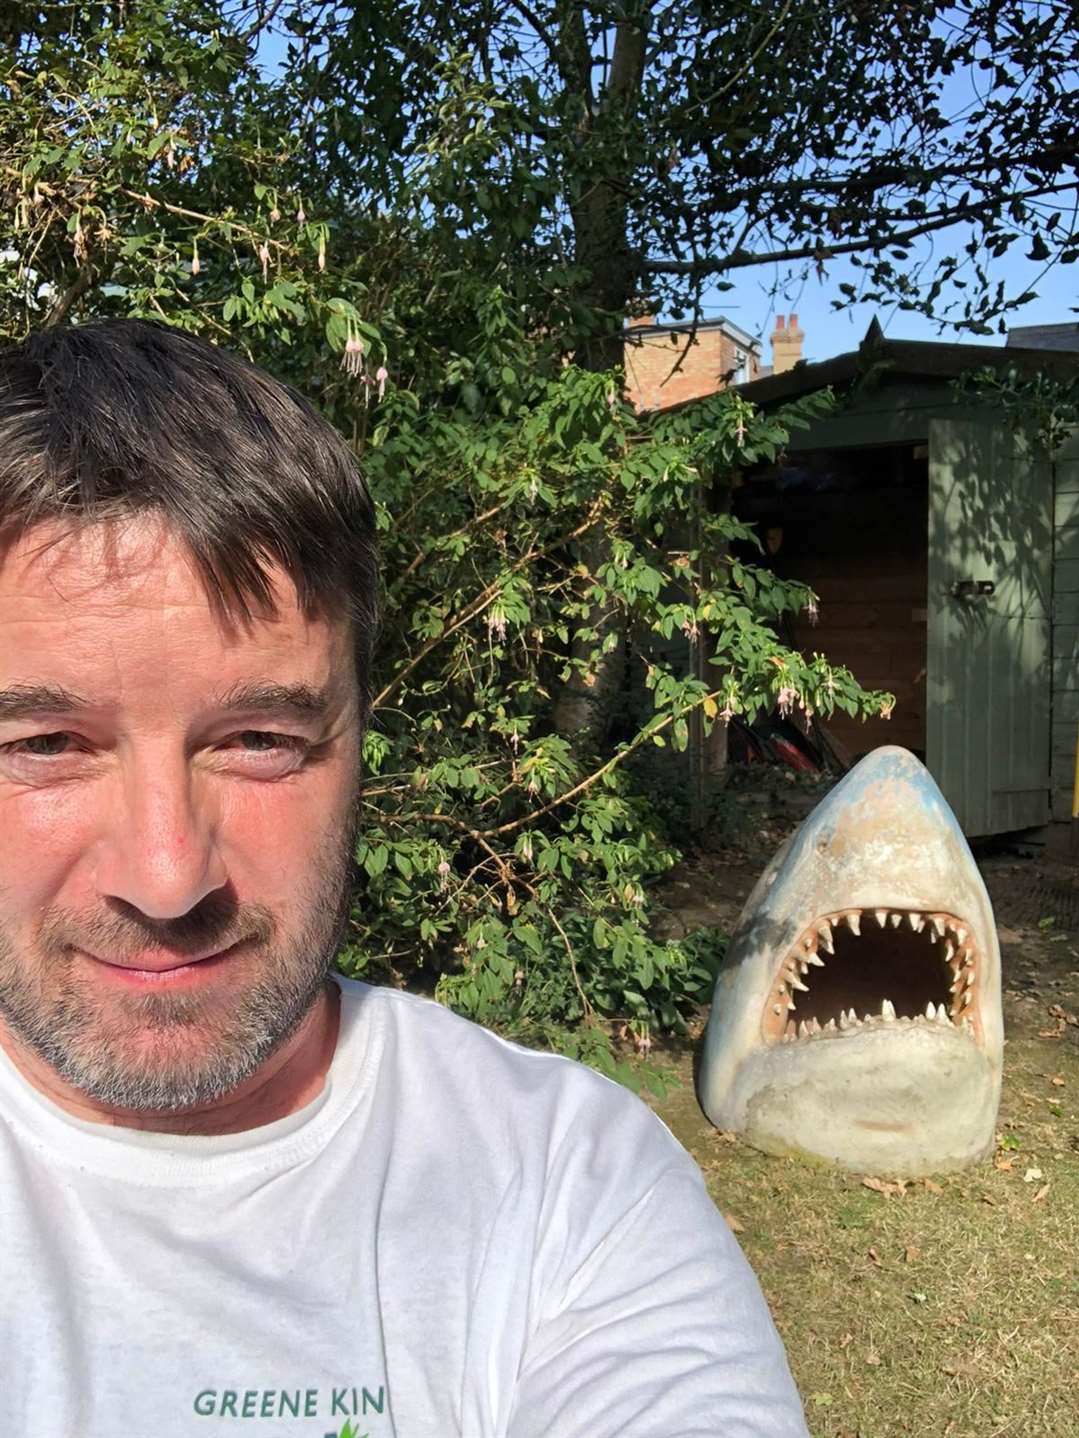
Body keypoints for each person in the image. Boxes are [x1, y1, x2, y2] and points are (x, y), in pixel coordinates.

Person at [0, 319, 808, 1437]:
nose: (168, 874)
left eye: (259, 740)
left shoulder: (567, 1184)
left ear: (359, 745)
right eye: (44, 746)